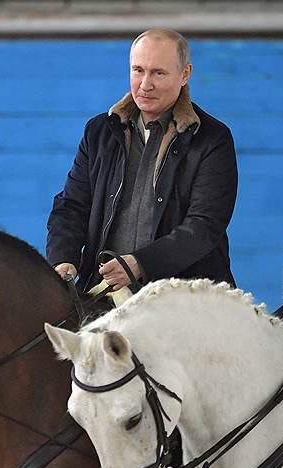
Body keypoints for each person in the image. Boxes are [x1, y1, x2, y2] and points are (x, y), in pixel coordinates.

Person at [46, 28, 238, 292]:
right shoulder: (99, 131)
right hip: (102, 293)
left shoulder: (213, 139)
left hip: (186, 299)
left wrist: (140, 264)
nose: (145, 84)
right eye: (138, 70)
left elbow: (204, 226)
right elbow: (72, 205)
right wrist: (63, 258)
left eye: (158, 73)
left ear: (185, 74)